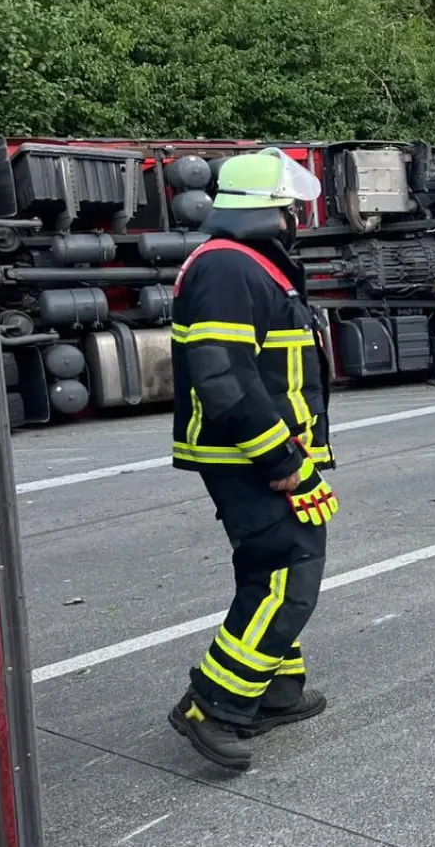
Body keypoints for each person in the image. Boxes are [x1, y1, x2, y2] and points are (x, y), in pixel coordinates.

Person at [167, 148, 335, 771]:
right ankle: (213, 708)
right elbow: (224, 378)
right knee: (288, 573)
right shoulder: (229, 269)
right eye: (291, 209)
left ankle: (273, 692)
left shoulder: (246, 265)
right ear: (269, 212)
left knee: (272, 569)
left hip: (260, 453)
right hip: (251, 457)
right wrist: (281, 461)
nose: (297, 219)